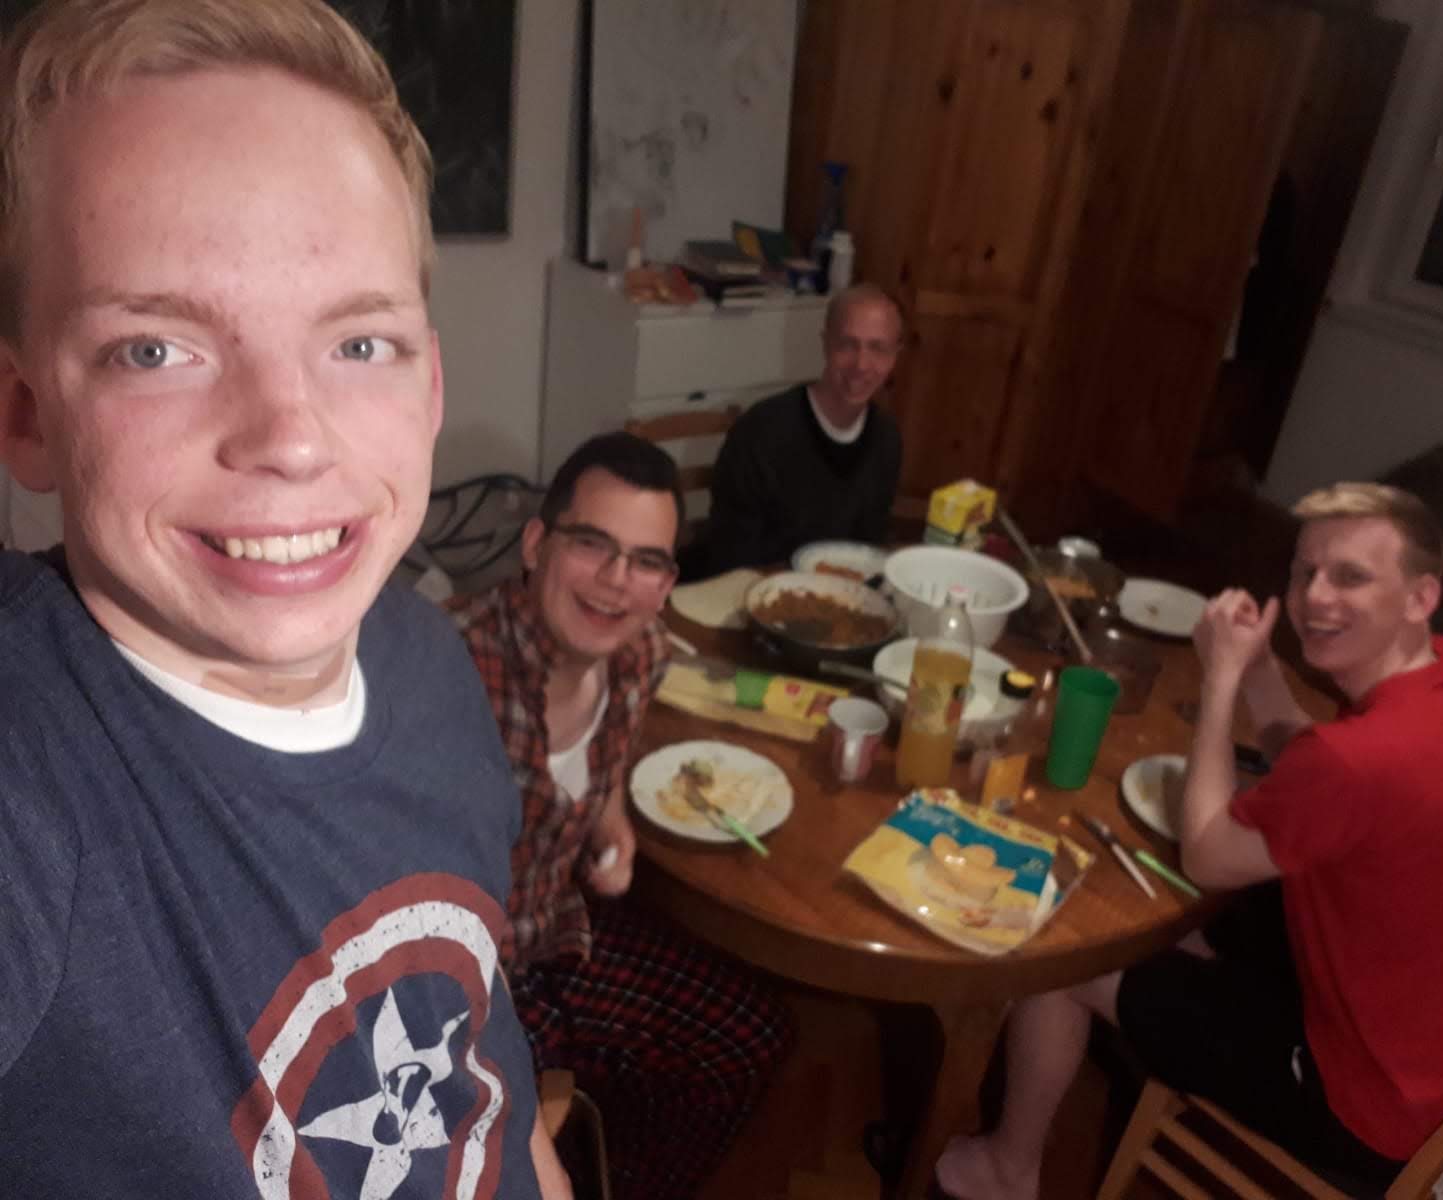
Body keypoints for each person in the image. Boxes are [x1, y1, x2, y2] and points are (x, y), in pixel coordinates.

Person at [0, 2, 562, 1196]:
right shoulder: (32, 768)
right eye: (155, 349)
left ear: (429, 388)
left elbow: (487, 1080)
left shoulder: (433, 663)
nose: (290, 439)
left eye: (359, 345)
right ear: (26, 414)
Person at [935, 482, 1443, 1200]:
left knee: (1065, 958)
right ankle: (1159, 999)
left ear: (1420, 596)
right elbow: (1318, 767)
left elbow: (1209, 855)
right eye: (1305, 572)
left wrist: (1220, 681)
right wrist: (1259, 673)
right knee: (1202, 918)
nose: (1315, 597)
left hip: (1371, 1105)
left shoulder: (1361, 761)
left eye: (1350, 576)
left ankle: (1007, 1170)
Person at [450, 431, 795, 1200]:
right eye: (591, 544)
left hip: (558, 932)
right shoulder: (449, 676)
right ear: (536, 544)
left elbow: (596, 770)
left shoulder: (641, 657)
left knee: (749, 1035)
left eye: (644, 561)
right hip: (464, 989)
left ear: (666, 583)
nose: (614, 582)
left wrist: (612, 823)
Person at [701, 282, 904, 572]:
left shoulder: (887, 439)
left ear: (895, 356)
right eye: (847, 344)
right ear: (826, 343)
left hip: (840, 591)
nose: (861, 364)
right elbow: (731, 554)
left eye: (878, 348)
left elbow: (867, 549)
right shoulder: (760, 432)